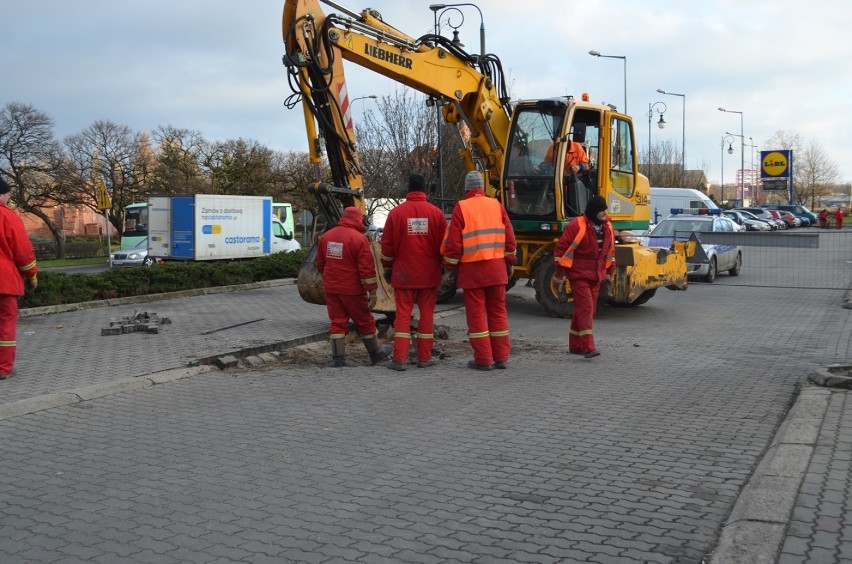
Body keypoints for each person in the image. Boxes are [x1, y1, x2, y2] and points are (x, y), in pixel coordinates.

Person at [442, 171, 517, 371]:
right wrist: (509, 263)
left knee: (477, 316)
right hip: (497, 269)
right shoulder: (496, 205)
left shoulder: (462, 207)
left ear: (467, 188)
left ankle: (483, 360)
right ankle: (501, 358)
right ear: (482, 188)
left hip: (472, 272)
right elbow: (510, 239)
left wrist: (450, 268)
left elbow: (454, 244)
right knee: (498, 313)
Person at [380, 175, 448, 371]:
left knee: (402, 316)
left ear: (408, 191)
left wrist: (387, 267)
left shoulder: (396, 214)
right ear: (424, 191)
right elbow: (445, 246)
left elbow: (387, 247)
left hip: (404, 274)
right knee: (427, 316)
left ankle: (399, 359)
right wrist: (443, 266)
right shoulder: (436, 214)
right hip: (429, 275)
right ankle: (424, 358)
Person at [315, 206, 388, 367]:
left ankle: (338, 359)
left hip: (332, 289)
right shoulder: (358, 239)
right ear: (357, 219)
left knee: (337, 322)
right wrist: (373, 291)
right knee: (365, 321)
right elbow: (366, 270)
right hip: (352, 290)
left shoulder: (327, 237)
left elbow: (320, 264)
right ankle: (376, 354)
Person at [551, 195, 614, 359]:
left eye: (605, 210)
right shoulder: (576, 226)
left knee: (587, 310)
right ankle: (588, 347)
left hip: (596, 275)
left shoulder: (607, 227)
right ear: (593, 212)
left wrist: (610, 273)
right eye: (601, 211)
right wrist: (560, 275)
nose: (604, 214)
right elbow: (561, 251)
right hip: (579, 275)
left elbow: (610, 252)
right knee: (586, 308)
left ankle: (575, 345)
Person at [0, 177, 38, 380]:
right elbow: (23, 252)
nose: (8, 199)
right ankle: (3, 368)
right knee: (5, 322)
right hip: (3, 281)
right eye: (7, 195)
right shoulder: (8, 216)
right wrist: (31, 274)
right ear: (2, 193)